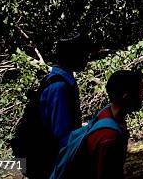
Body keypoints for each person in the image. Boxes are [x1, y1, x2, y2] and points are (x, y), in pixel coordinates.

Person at [55, 70, 143, 179]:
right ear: (126, 97)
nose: (142, 96)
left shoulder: (106, 112)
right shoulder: (110, 136)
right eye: (140, 92)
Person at [33, 34, 88, 178]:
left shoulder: (57, 80)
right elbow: (63, 136)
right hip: (53, 165)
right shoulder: (59, 87)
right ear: (72, 57)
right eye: (83, 54)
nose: (87, 58)